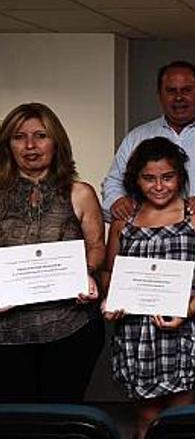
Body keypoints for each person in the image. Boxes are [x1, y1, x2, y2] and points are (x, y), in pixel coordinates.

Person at [102, 137, 195, 439]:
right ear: (136, 179)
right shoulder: (125, 221)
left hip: (186, 329)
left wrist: (188, 309)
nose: (159, 186)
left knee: (180, 419)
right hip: (137, 334)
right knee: (146, 419)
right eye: (149, 178)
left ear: (180, 177)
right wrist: (111, 301)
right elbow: (109, 272)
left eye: (167, 177)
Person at [0, 103, 105, 403]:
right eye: (19, 137)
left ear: (56, 141)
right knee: (16, 420)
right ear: (7, 144)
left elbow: (97, 246)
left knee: (61, 416)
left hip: (71, 326)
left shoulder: (79, 192)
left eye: (40, 135)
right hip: (6, 331)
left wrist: (86, 273)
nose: (30, 145)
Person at [102, 60, 195, 221]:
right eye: (171, 91)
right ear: (159, 94)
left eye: (186, 90)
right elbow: (113, 182)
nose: (179, 97)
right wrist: (117, 200)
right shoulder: (137, 137)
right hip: (148, 238)